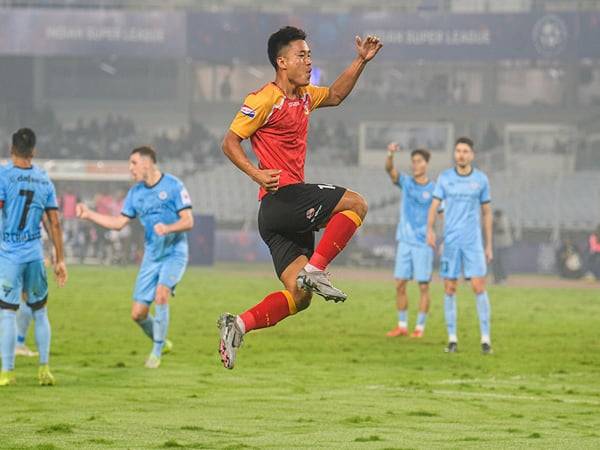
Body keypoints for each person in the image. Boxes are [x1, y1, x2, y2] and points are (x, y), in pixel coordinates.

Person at [218, 26, 382, 369]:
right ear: (282, 61)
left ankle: (239, 325)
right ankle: (316, 270)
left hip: (277, 219)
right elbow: (230, 142)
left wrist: (360, 61)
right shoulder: (263, 99)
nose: (308, 62)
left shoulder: (306, 96)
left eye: (309, 55)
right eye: (301, 56)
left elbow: (336, 94)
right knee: (356, 203)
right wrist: (255, 172)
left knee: (300, 296)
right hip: (283, 198)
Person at [76, 146, 193, 368]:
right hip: (152, 255)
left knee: (161, 294)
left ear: (147, 162)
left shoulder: (174, 185)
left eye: (133, 163)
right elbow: (119, 223)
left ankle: (156, 352)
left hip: (174, 252)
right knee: (138, 314)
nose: (130, 168)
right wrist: (89, 214)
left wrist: (168, 228)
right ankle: (162, 340)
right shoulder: (135, 194)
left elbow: (188, 221)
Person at [0, 128, 68, 386]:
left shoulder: (3, 175)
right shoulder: (44, 180)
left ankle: (7, 372)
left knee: (7, 312)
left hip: (9, 254)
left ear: (11, 149)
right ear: (34, 152)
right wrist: (60, 259)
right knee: (40, 312)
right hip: (34, 254)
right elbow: (55, 223)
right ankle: (44, 370)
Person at [426, 137, 494, 355]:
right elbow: (434, 205)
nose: (461, 154)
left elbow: (486, 213)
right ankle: (452, 339)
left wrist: (489, 244)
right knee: (450, 288)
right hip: (452, 242)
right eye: (458, 151)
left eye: (465, 151)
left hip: (473, 242)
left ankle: (485, 339)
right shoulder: (445, 178)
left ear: (471, 155)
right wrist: (430, 229)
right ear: (455, 154)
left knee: (478, 287)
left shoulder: (481, 180)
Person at [384, 143, 436, 339]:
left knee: (423, 286)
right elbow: (390, 169)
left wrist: (436, 234)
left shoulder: (435, 189)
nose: (415, 165)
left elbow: (441, 214)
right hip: (405, 241)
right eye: (413, 161)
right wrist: (390, 154)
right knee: (400, 284)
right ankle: (402, 325)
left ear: (426, 164)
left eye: (419, 161)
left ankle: (420, 328)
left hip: (423, 243)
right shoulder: (406, 182)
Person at [492, 209, 513, 284]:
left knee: (503, 262)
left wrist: (493, 227)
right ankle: (496, 279)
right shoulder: (495, 219)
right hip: (497, 244)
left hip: (504, 244)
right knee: (496, 262)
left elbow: (501, 230)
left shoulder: (504, 219)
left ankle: (504, 279)